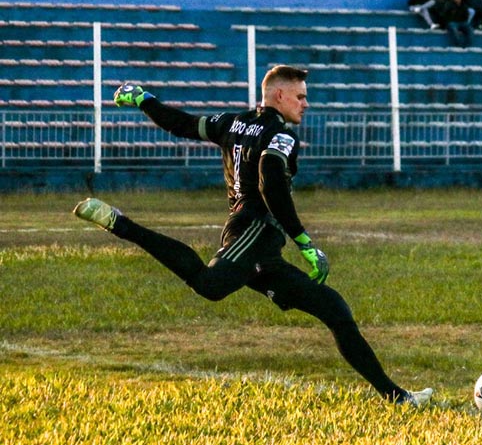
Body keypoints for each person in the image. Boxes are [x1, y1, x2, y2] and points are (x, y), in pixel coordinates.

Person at [71, 65, 433, 406]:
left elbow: (181, 124)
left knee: (334, 308)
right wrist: (304, 242)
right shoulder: (282, 136)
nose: (306, 104)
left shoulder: (232, 123)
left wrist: (143, 99)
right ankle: (122, 224)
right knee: (211, 285)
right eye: (300, 97)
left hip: (259, 241)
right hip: (254, 230)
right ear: (278, 96)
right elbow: (270, 180)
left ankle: (397, 397)